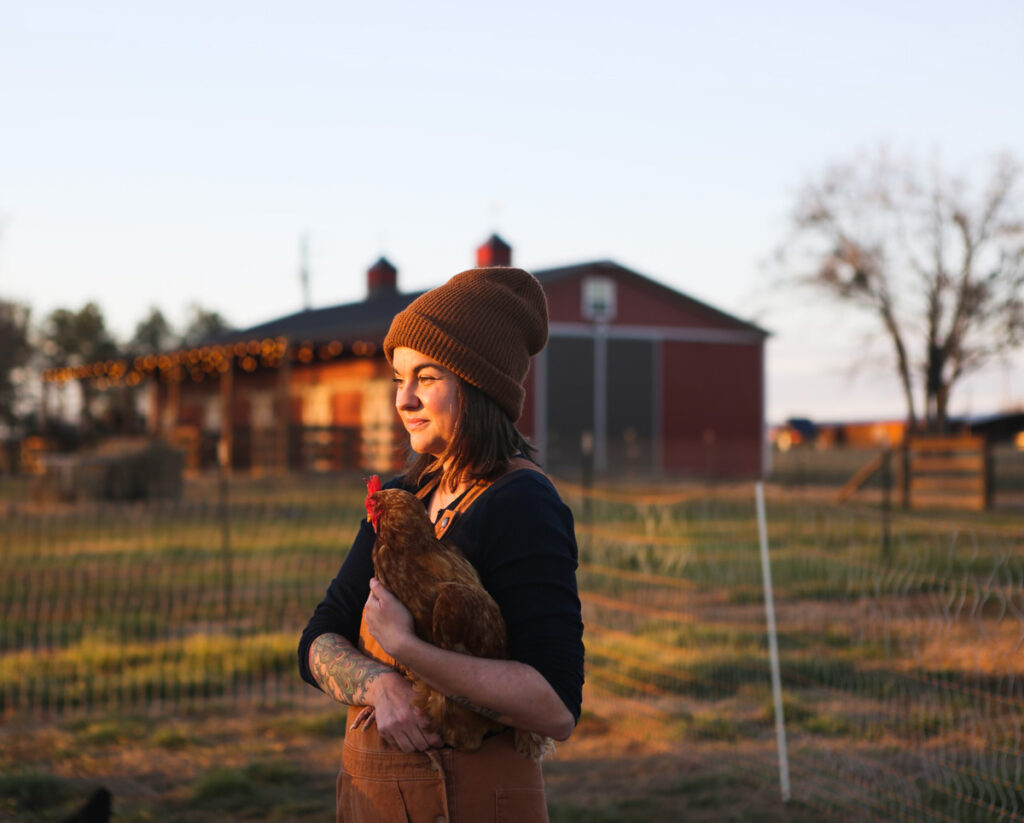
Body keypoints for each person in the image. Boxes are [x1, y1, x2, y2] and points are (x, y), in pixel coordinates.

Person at [298, 266, 585, 823]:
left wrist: (408, 652)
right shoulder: (403, 495)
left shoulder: (521, 502)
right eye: (398, 379)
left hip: (469, 801)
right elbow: (317, 638)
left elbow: (554, 705)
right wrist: (380, 685)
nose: (404, 399)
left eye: (426, 378)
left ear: (478, 385)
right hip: (375, 796)